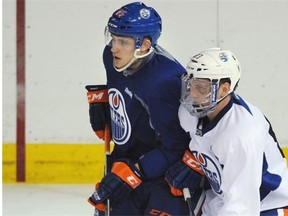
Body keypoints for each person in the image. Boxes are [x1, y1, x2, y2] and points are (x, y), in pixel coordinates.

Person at [86, 2, 194, 215]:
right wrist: (107, 102)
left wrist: (135, 171)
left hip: (161, 174)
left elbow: (177, 147)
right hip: (124, 159)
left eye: (123, 42)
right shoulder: (112, 56)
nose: (114, 47)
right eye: (113, 37)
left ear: (144, 45)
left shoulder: (164, 83)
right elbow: (129, 87)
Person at [165, 47, 288, 215]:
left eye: (201, 88)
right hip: (221, 198)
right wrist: (193, 163)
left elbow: (242, 205)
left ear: (224, 89)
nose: (192, 94)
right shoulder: (190, 112)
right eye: (191, 85)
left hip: (266, 205)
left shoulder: (241, 133)